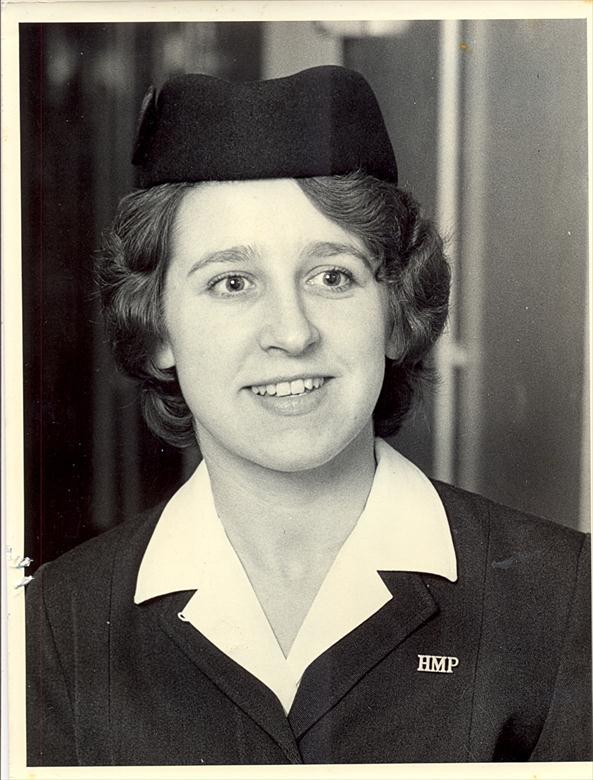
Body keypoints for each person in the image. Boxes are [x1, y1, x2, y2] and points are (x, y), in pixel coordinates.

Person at [26, 66, 591, 766]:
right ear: (157, 327)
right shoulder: (56, 621)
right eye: (231, 283)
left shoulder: (564, 598)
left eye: (332, 277)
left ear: (393, 312)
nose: (291, 333)